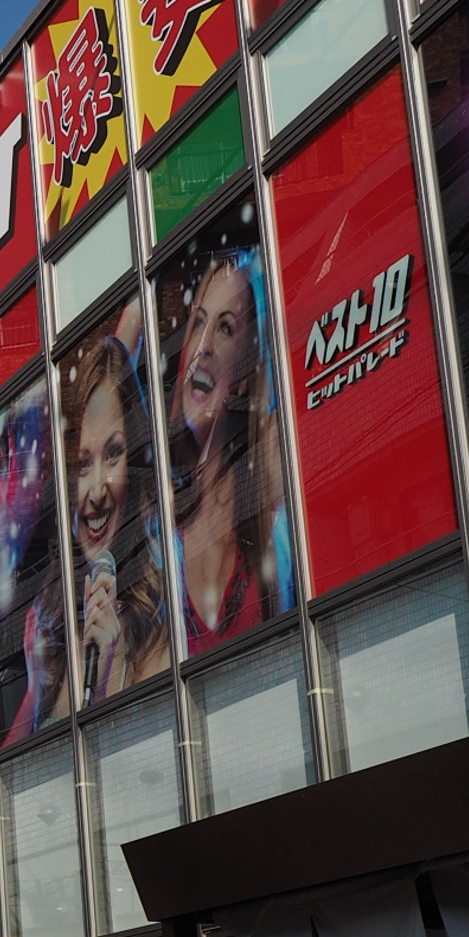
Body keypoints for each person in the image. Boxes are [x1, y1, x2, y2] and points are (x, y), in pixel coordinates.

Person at [165, 245, 293, 653]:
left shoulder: (273, 504)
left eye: (224, 329)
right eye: (197, 323)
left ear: (244, 371)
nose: (202, 347)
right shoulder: (158, 522)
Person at [63, 328, 169, 706]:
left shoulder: (160, 624)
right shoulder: (50, 634)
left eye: (113, 454)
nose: (95, 492)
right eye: (81, 464)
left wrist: (105, 675)